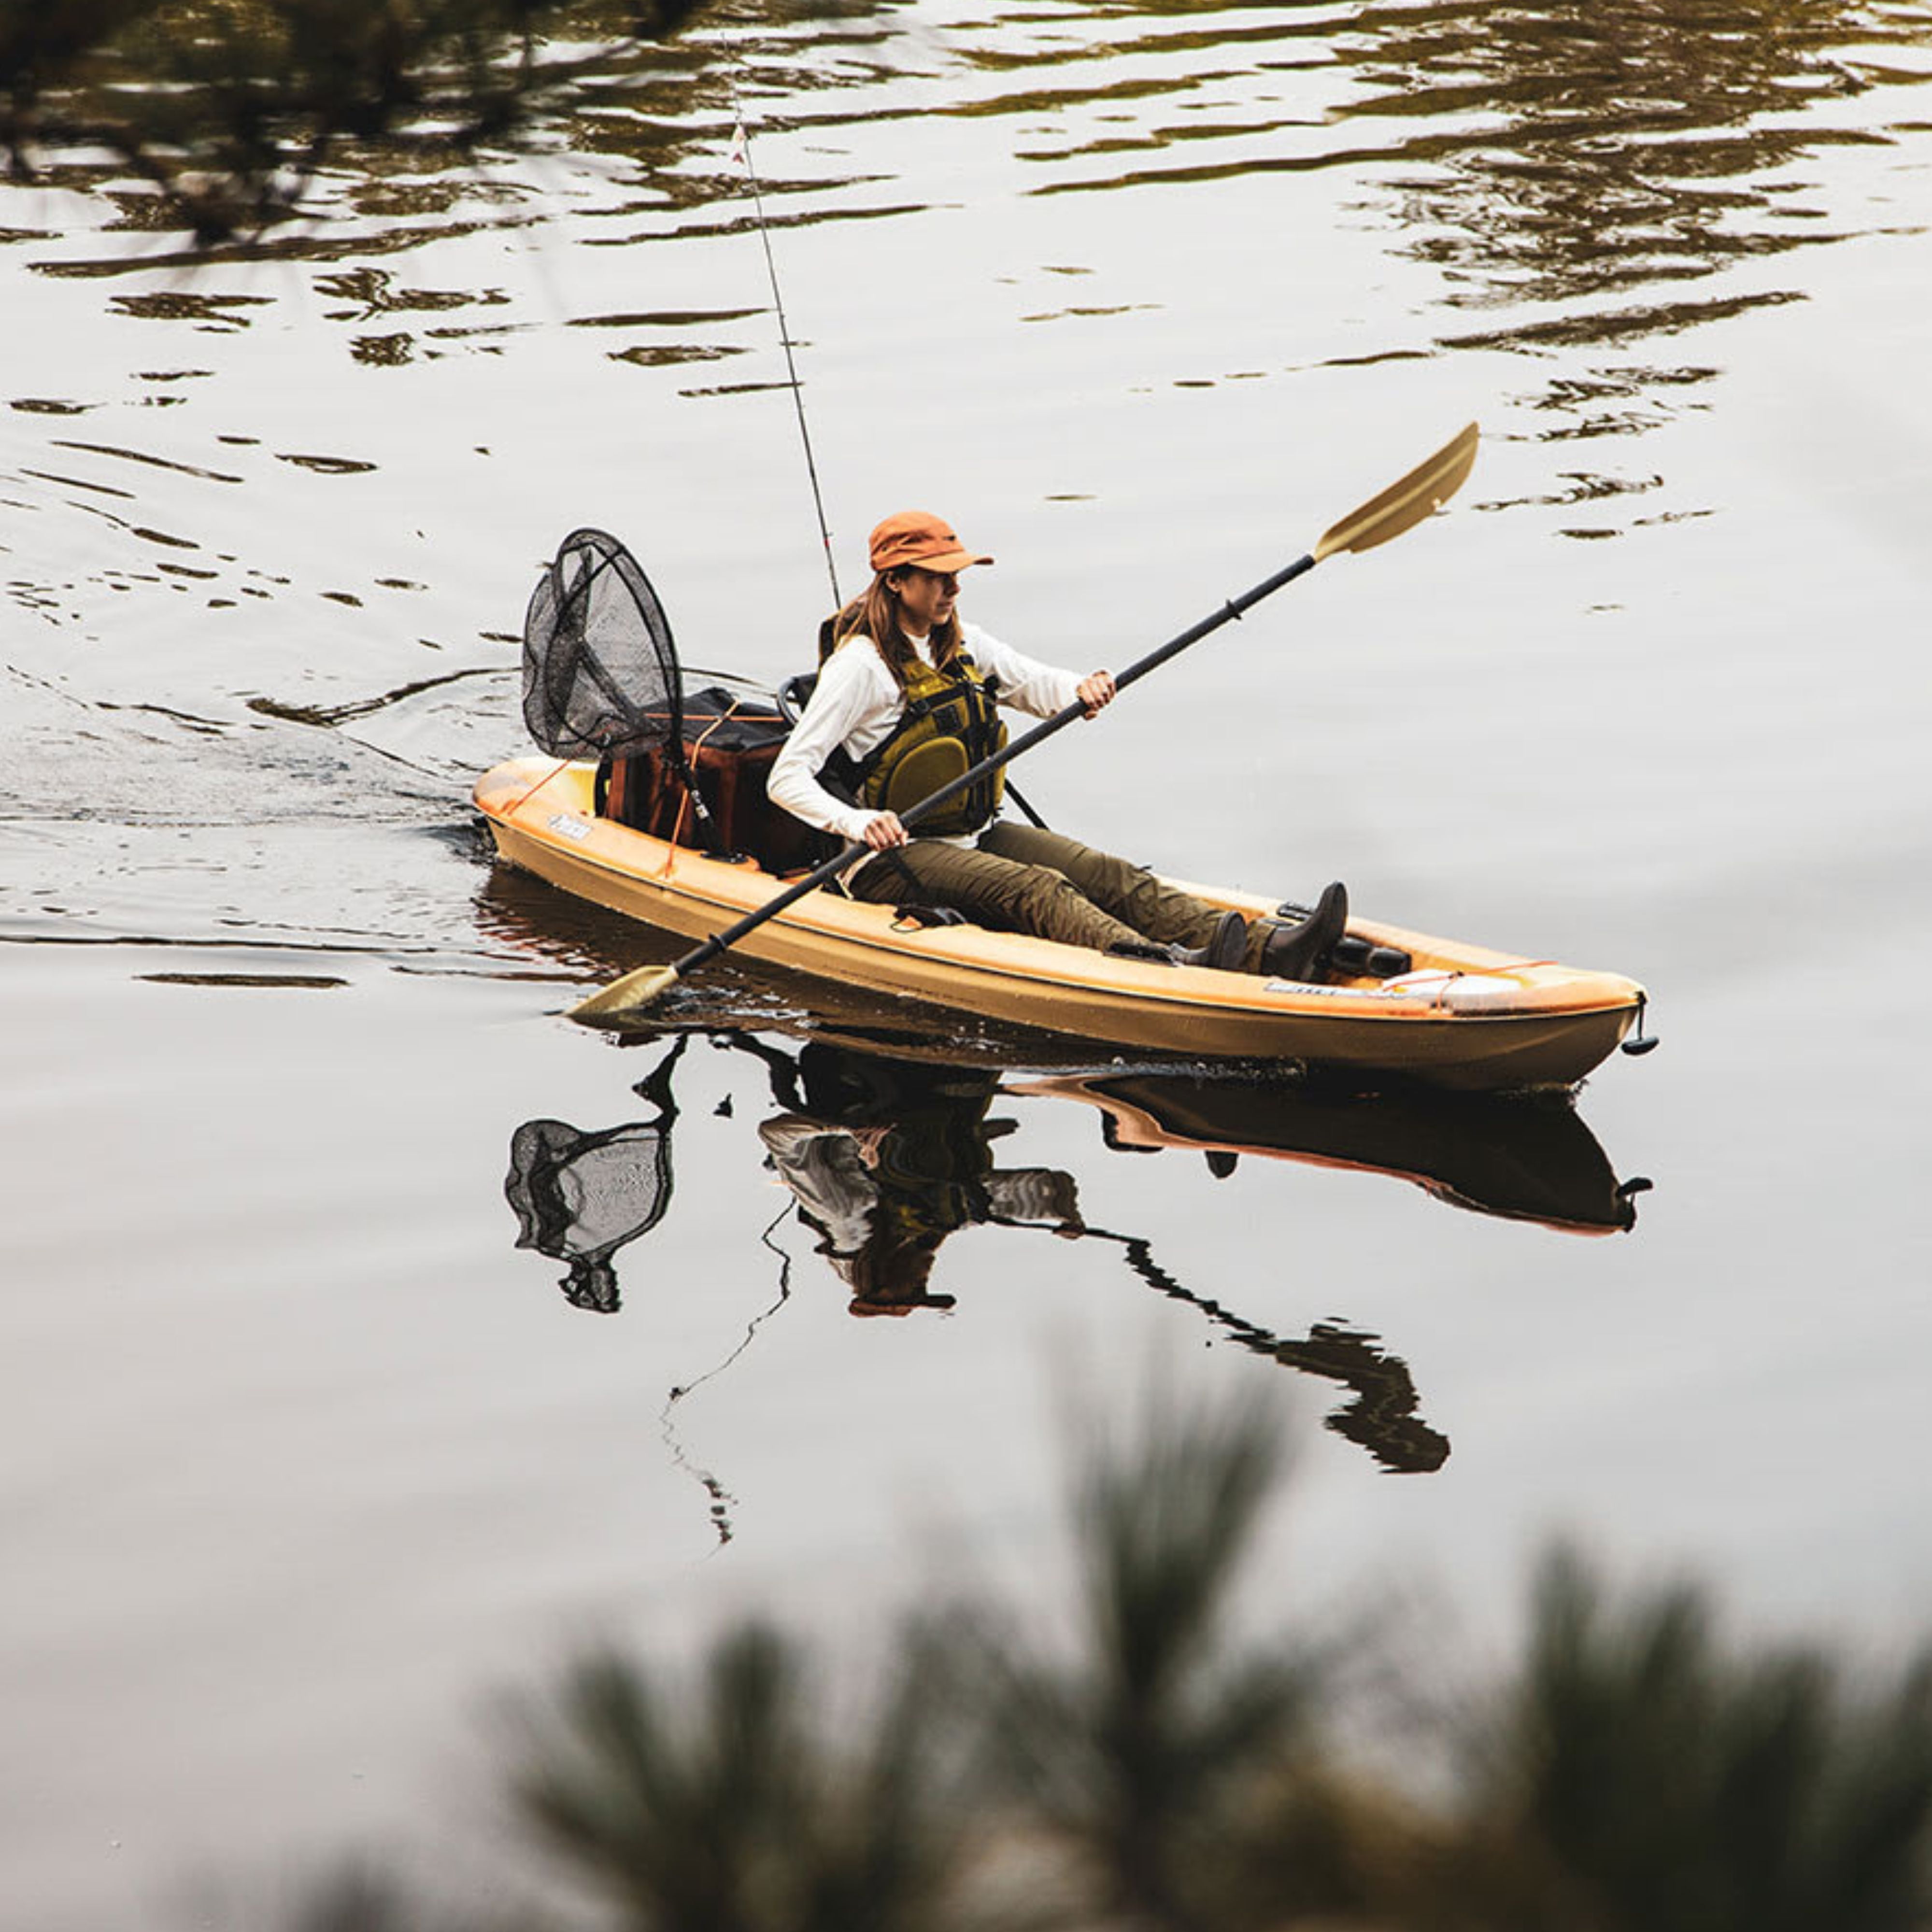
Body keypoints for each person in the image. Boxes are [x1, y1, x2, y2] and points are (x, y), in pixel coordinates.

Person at [766, 510, 1348, 977]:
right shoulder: (861, 667)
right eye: (938, 575)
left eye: (956, 573)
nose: (954, 586)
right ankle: (1165, 967)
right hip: (889, 861)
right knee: (1040, 889)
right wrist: (857, 822)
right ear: (896, 581)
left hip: (971, 836)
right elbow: (787, 776)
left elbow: (1041, 686)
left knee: (1106, 873)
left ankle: (1270, 951)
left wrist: (1083, 686)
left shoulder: (962, 644)